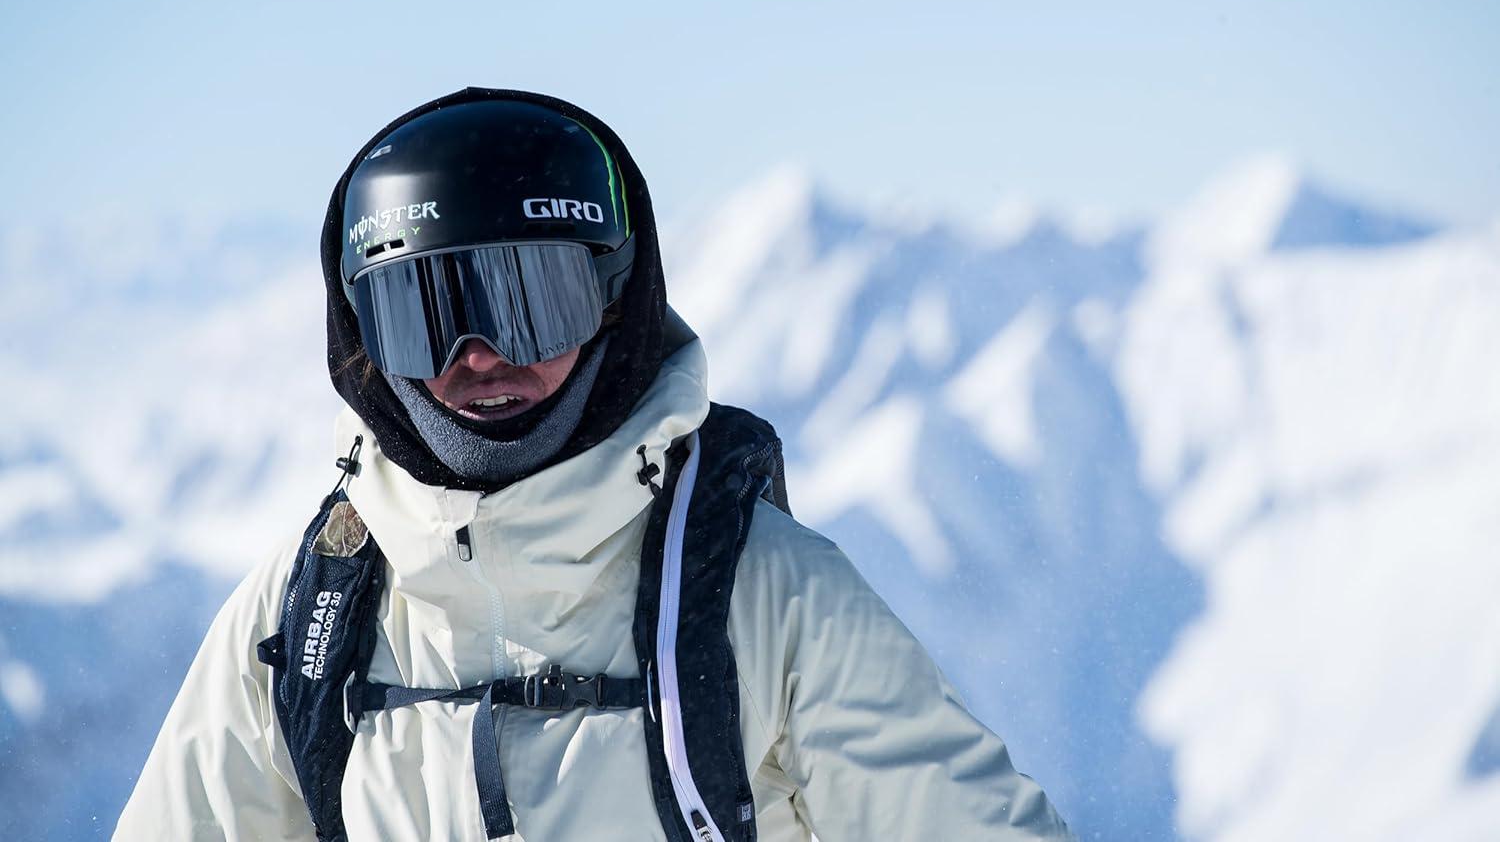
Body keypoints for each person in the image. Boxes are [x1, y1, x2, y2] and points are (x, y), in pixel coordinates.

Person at [116, 88, 1072, 841]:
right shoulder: (304, 619)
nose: (479, 356)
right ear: (364, 337)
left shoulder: (767, 596)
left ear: (616, 299)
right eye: (423, 316)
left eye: (529, 304)